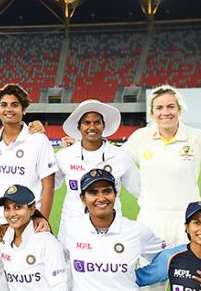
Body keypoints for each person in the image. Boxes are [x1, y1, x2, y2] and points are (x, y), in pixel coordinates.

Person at [123, 85, 201, 291]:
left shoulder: (196, 138)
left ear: (179, 109)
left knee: (187, 287)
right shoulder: (141, 138)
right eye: (159, 107)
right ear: (152, 112)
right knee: (150, 290)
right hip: (151, 219)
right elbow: (118, 164)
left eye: (171, 106)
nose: (166, 112)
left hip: (188, 223)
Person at [54, 99, 140, 242]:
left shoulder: (121, 156)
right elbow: (48, 187)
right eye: (87, 122)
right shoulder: (63, 156)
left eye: (97, 122)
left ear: (103, 125)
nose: (92, 126)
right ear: (79, 127)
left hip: (110, 229)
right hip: (71, 230)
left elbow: (139, 190)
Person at [0, 84, 56, 220]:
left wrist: (42, 220)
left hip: (29, 221)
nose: (9, 109)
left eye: (15, 105)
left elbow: (48, 186)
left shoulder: (38, 140)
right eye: (4, 105)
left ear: (24, 110)